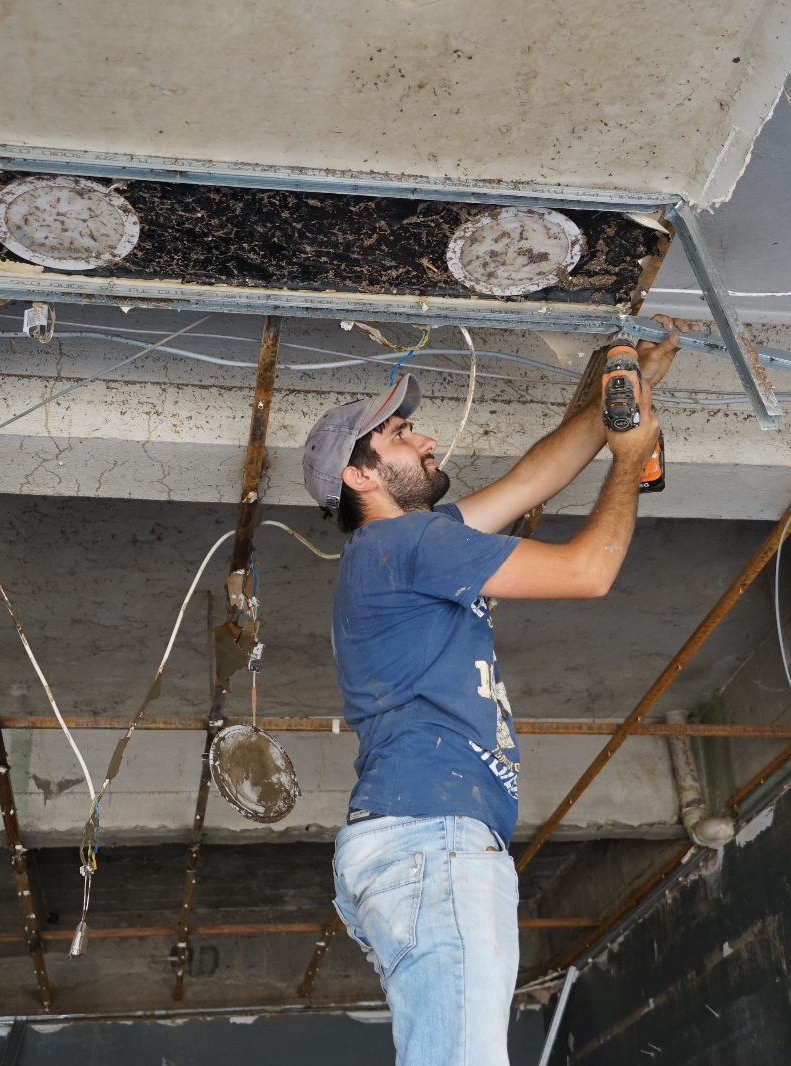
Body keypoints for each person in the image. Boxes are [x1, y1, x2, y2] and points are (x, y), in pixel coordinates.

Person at [300, 318, 687, 1066]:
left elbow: (532, 480)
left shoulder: (397, 548)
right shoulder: (406, 546)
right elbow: (589, 572)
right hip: (431, 843)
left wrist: (623, 404)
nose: (425, 440)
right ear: (361, 477)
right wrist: (629, 459)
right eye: (401, 435)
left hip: (419, 843)